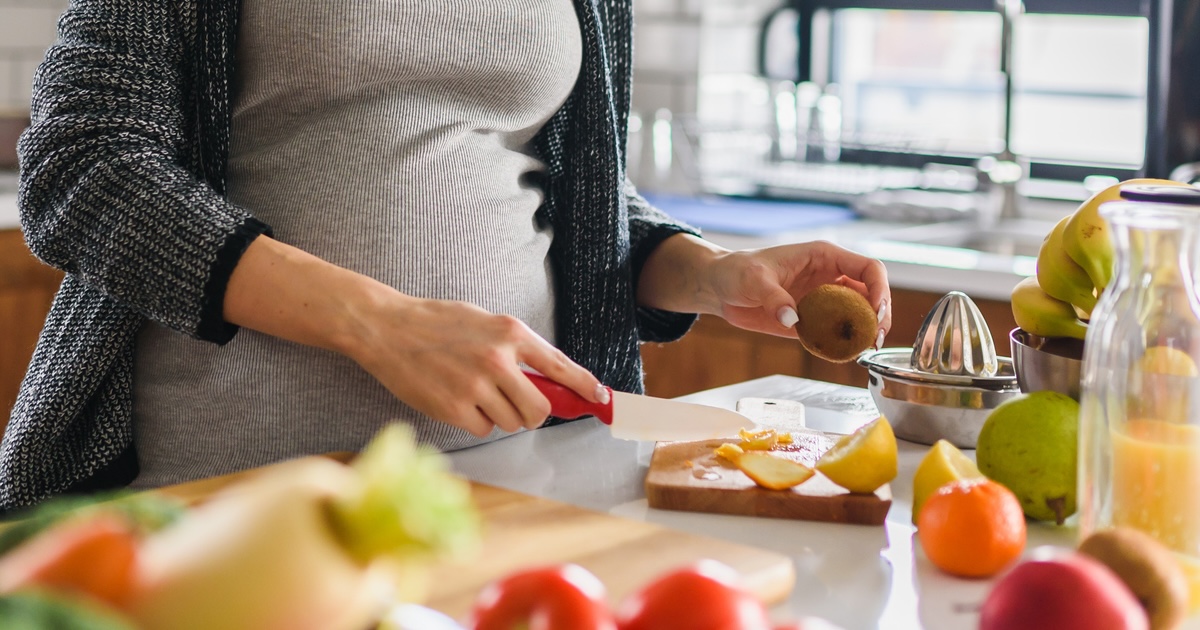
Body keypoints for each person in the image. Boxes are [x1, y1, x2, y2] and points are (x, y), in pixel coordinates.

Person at [0, 0, 892, 511]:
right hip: (231, 482)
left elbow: (567, 181)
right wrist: (381, 325)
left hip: (513, 479)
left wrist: (707, 272)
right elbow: (84, 165)